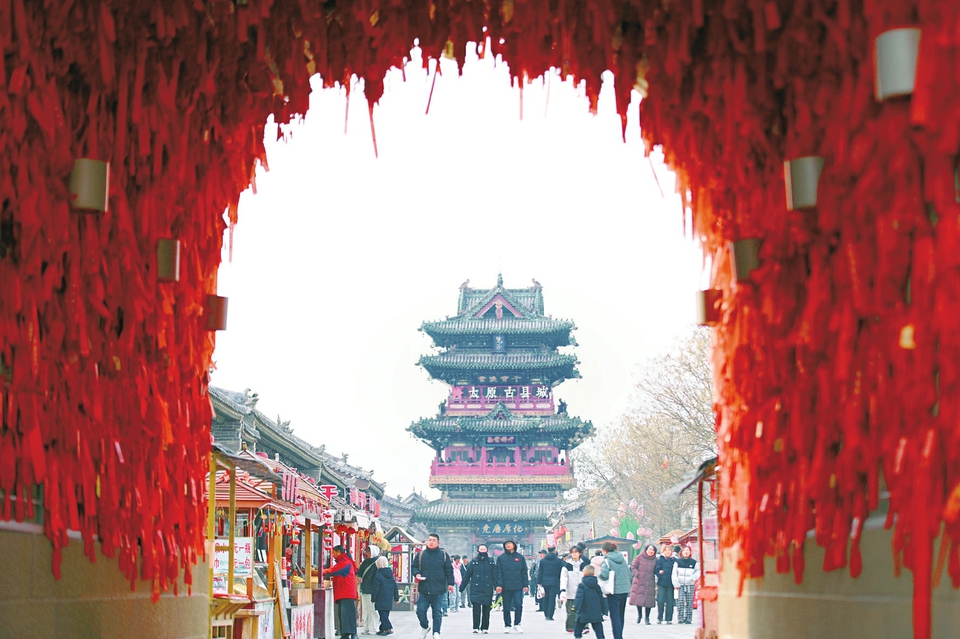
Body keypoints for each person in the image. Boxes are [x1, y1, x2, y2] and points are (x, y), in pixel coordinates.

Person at [413, 533, 455, 639]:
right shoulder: (421, 554)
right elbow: (414, 566)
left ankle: (436, 632)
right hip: (424, 587)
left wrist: (450, 584)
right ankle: (425, 626)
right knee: (420, 610)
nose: (431, 542)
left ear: (438, 543)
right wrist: (417, 574)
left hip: (439, 588)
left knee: (437, 611)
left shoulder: (443, 555)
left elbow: (449, 570)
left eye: (433, 540)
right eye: (430, 540)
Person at [324, 545, 359, 639]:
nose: (333, 555)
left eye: (334, 553)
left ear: (338, 552)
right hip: (344, 591)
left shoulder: (345, 562)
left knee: (347, 613)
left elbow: (334, 571)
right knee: (344, 614)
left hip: (346, 591)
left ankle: (352, 634)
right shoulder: (343, 561)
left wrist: (322, 571)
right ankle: (346, 634)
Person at [461, 543, 497, 633]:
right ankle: (476, 627)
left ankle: (485, 627)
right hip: (476, 588)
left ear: (487, 550)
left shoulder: (491, 562)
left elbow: (495, 575)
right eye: (481, 549)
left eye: (484, 549)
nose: (483, 551)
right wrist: (462, 587)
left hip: (487, 588)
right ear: (478, 550)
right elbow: (467, 575)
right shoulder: (474, 562)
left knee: (486, 608)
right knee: (476, 608)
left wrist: (497, 586)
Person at [495, 539, 529, 633]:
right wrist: (499, 585)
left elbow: (524, 572)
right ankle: (507, 625)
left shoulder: (520, 557)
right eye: (506, 544)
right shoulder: (501, 558)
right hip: (505, 586)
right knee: (506, 606)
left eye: (510, 544)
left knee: (518, 604)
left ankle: (517, 623)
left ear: (514, 545)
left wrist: (525, 585)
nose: (508, 545)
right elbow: (499, 573)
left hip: (518, 586)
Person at [598, 542, 630, 639]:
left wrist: (599, 575)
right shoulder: (622, 559)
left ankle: (617, 636)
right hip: (624, 590)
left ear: (605, 551)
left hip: (614, 591)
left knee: (614, 615)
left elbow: (604, 575)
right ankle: (620, 634)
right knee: (621, 614)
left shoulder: (607, 561)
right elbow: (628, 573)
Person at [559, 545, 589, 634]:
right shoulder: (567, 565)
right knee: (571, 611)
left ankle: (585, 626)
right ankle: (570, 627)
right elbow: (564, 578)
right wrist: (563, 590)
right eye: (572, 552)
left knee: (583, 610)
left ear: (580, 553)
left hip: (582, 591)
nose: (574, 554)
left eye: (576, 552)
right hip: (570, 591)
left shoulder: (584, 565)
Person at [572, 565, 607, 639]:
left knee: (578, 627)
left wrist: (575, 607)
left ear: (584, 573)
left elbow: (579, 598)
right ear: (594, 574)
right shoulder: (597, 586)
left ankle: (578, 637)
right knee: (598, 628)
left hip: (584, 611)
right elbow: (601, 598)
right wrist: (603, 610)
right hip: (596, 611)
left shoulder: (582, 585)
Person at [370, 556, 399, 636]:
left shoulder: (378, 574)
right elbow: (395, 586)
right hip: (389, 598)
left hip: (380, 597)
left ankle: (388, 628)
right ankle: (382, 628)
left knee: (382, 614)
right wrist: (396, 597)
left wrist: (373, 598)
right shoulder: (390, 574)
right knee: (385, 614)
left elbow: (376, 588)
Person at [629, 544, 657, 625]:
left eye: (653, 550)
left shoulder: (655, 560)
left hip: (650, 581)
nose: (651, 551)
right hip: (639, 581)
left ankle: (647, 617)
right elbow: (633, 567)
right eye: (650, 549)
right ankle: (640, 615)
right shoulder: (639, 557)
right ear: (646, 550)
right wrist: (637, 574)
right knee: (639, 599)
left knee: (649, 600)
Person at [358, 546, 381, 635]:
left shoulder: (377, 562)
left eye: (368, 551)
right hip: (364, 588)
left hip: (373, 589)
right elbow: (359, 573)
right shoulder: (365, 562)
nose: (366, 553)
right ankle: (366, 628)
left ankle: (373, 628)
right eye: (366, 551)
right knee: (366, 609)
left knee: (373, 610)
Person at [536, 546, 564, 620]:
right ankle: (550, 615)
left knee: (546, 597)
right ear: (554, 551)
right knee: (552, 598)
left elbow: (540, 572)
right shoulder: (558, 561)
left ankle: (546, 613)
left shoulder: (543, 561)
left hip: (545, 581)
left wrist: (539, 582)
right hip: (555, 581)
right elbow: (561, 572)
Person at [672, 546, 697, 625]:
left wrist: (692, 578)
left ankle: (688, 618)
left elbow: (698, 572)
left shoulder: (694, 562)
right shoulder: (677, 562)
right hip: (680, 585)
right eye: (684, 550)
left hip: (690, 585)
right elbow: (674, 573)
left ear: (690, 552)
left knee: (689, 602)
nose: (686, 552)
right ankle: (680, 618)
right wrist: (675, 583)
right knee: (680, 602)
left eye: (687, 550)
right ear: (681, 552)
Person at [654, 545, 677, 624]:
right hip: (662, 583)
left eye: (669, 550)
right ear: (663, 552)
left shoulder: (674, 560)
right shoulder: (660, 560)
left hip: (671, 584)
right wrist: (660, 573)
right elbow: (656, 570)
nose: (667, 552)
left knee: (670, 602)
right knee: (660, 600)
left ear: (671, 552)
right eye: (666, 550)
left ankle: (669, 618)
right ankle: (660, 617)